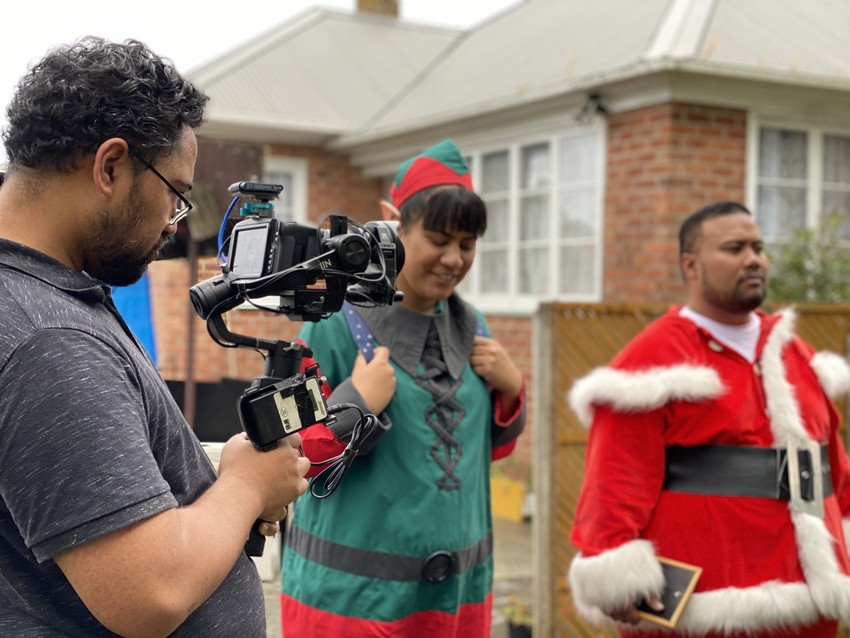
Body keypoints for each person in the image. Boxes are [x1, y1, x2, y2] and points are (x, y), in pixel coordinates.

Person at [0, 37, 310, 637]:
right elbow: (149, 591)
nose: (176, 223)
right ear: (110, 166)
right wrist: (246, 486)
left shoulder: (37, 298)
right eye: (176, 193)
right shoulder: (51, 337)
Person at [567, 201, 850, 637]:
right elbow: (614, 479)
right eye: (734, 248)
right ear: (691, 265)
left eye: (758, 247)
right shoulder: (653, 363)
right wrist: (613, 573)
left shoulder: (797, 356)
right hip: (705, 609)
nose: (753, 258)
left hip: (810, 605)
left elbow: (834, 471)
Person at [279, 139, 527, 637]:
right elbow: (285, 455)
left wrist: (512, 391)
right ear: (394, 222)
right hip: (351, 602)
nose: (453, 259)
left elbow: (481, 458)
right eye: (438, 239)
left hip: (456, 599)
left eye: (467, 244)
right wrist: (354, 407)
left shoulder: (473, 326)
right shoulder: (333, 323)